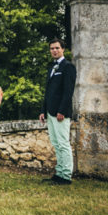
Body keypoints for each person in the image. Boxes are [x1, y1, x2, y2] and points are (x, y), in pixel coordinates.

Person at [39, 38, 76, 185]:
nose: (54, 50)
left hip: (61, 113)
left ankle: (66, 176)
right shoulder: (52, 68)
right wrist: (43, 110)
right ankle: (59, 172)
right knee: (56, 143)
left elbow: (68, 92)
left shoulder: (68, 67)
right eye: (52, 48)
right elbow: (48, 92)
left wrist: (62, 110)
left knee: (63, 143)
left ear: (63, 49)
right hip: (50, 111)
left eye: (57, 48)